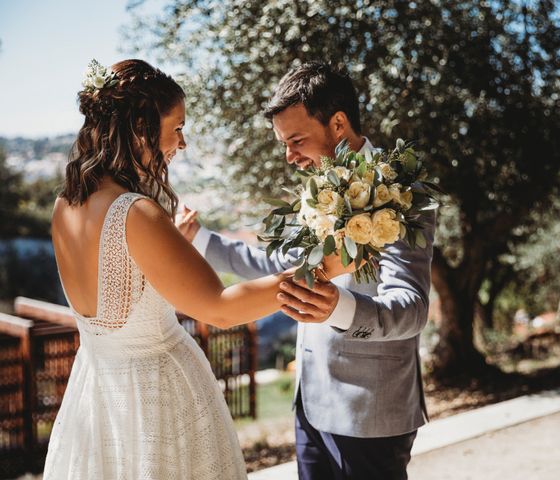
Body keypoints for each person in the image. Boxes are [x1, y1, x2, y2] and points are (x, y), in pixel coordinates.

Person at [44, 59, 345, 480]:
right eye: (178, 127)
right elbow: (219, 308)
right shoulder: (137, 213)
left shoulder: (66, 205)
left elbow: (122, 287)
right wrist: (322, 268)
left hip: (99, 392)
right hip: (157, 399)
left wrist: (170, 243)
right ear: (140, 127)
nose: (181, 144)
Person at [179, 61, 436, 480]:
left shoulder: (405, 195)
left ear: (338, 124)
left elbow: (412, 308)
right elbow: (281, 267)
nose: (289, 157)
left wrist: (338, 308)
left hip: (369, 410)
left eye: (296, 140)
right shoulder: (317, 189)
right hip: (311, 406)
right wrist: (201, 240)